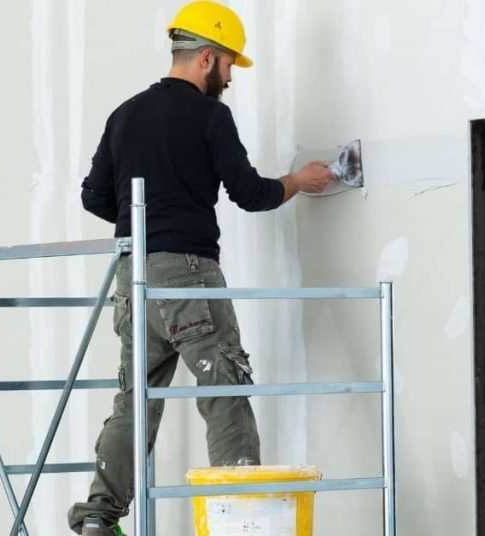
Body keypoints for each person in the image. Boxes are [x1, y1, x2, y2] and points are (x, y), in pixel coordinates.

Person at [67, 1, 333, 534]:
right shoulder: (210, 115)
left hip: (131, 279)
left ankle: (98, 517)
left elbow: (95, 197)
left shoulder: (125, 114)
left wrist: (143, 213)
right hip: (187, 274)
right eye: (231, 64)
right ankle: (245, 522)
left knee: (134, 400)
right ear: (207, 58)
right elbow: (251, 194)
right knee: (224, 389)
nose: (231, 77)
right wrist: (297, 182)